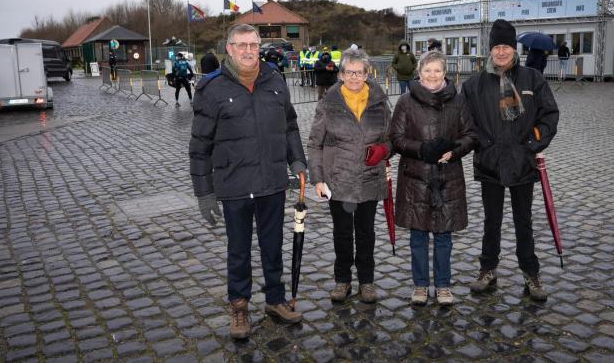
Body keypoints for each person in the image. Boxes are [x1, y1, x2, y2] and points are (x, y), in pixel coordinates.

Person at [189, 23, 307, 339]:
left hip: (271, 181)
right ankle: (239, 308)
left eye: (253, 45)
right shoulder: (212, 88)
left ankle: (275, 300)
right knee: (238, 251)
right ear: (228, 48)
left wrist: (296, 160)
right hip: (234, 185)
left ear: (259, 47)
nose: (247, 51)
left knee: (273, 246)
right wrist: (204, 193)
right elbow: (199, 146)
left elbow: (290, 126)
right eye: (240, 45)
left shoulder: (275, 80)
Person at [461, 19, 559, 301]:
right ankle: (488, 269)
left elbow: (549, 115)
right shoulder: (474, 84)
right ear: (490, 49)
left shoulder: (532, 79)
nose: (501, 52)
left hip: (522, 161)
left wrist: (531, 144)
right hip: (489, 161)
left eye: (506, 46)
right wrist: (483, 143)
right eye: (497, 46)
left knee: (523, 221)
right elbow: (465, 121)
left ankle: (531, 273)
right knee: (491, 221)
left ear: (514, 49)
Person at [389, 50, 476, 306]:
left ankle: (443, 285)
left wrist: (454, 151)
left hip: (447, 177)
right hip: (415, 177)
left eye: (437, 70)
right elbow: (396, 137)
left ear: (445, 73)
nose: (432, 75)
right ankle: (419, 285)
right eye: (428, 70)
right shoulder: (405, 101)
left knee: (443, 237)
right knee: (417, 237)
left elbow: (470, 135)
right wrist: (421, 149)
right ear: (419, 73)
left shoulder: (458, 101)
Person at [308, 48, 392, 304]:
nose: (355, 77)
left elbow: (391, 139)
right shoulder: (328, 103)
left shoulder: (379, 101)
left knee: (366, 233)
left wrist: (384, 149)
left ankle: (366, 281)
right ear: (341, 74)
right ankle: (342, 279)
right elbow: (315, 144)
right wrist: (318, 179)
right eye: (349, 72)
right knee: (342, 233)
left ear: (367, 74)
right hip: (338, 179)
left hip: (369, 177)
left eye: (360, 72)